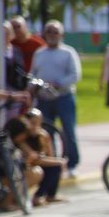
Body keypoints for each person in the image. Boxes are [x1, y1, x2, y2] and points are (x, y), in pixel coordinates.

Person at [30, 20, 81, 178]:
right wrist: (34, 86)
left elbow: (75, 75)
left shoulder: (68, 52)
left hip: (63, 97)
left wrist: (58, 83)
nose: (52, 35)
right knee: (47, 132)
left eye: (55, 32)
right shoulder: (39, 53)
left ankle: (72, 163)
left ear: (61, 35)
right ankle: (52, 164)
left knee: (68, 130)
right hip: (44, 98)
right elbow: (33, 74)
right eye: (49, 32)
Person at [7, 109, 67, 206]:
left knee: (55, 167)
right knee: (52, 166)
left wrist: (58, 161)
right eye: (32, 123)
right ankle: (32, 197)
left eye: (37, 123)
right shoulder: (21, 138)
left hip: (38, 164)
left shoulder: (43, 135)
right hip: (27, 168)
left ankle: (50, 195)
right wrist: (58, 162)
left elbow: (49, 155)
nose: (34, 126)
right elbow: (33, 159)